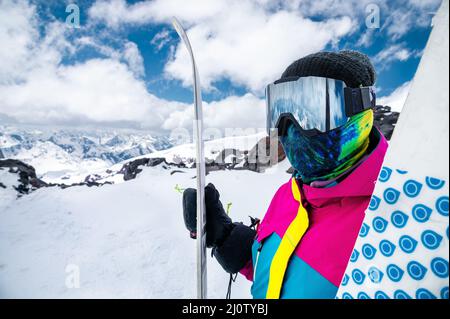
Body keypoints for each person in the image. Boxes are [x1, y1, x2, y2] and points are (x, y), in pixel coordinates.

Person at [182, 50, 388, 299]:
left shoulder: (396, 223)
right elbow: (283, 268)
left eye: (313, 109)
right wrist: (227, 238)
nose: (289, 127)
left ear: (361, 110)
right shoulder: (291, 193)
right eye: (280, 109)